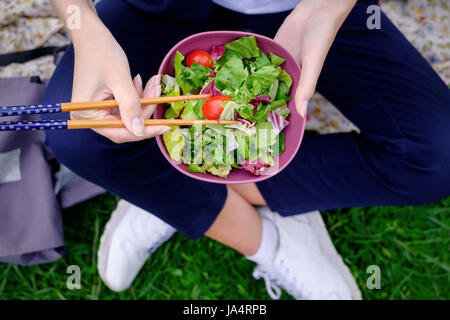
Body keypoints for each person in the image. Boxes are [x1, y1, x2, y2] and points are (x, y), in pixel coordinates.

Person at [45, 0, 450, 299]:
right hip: (159, 8)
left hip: (309, 7)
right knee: (76, 134)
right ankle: (269, 242)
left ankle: (167, 190)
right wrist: (84, 26)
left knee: (437, 156)